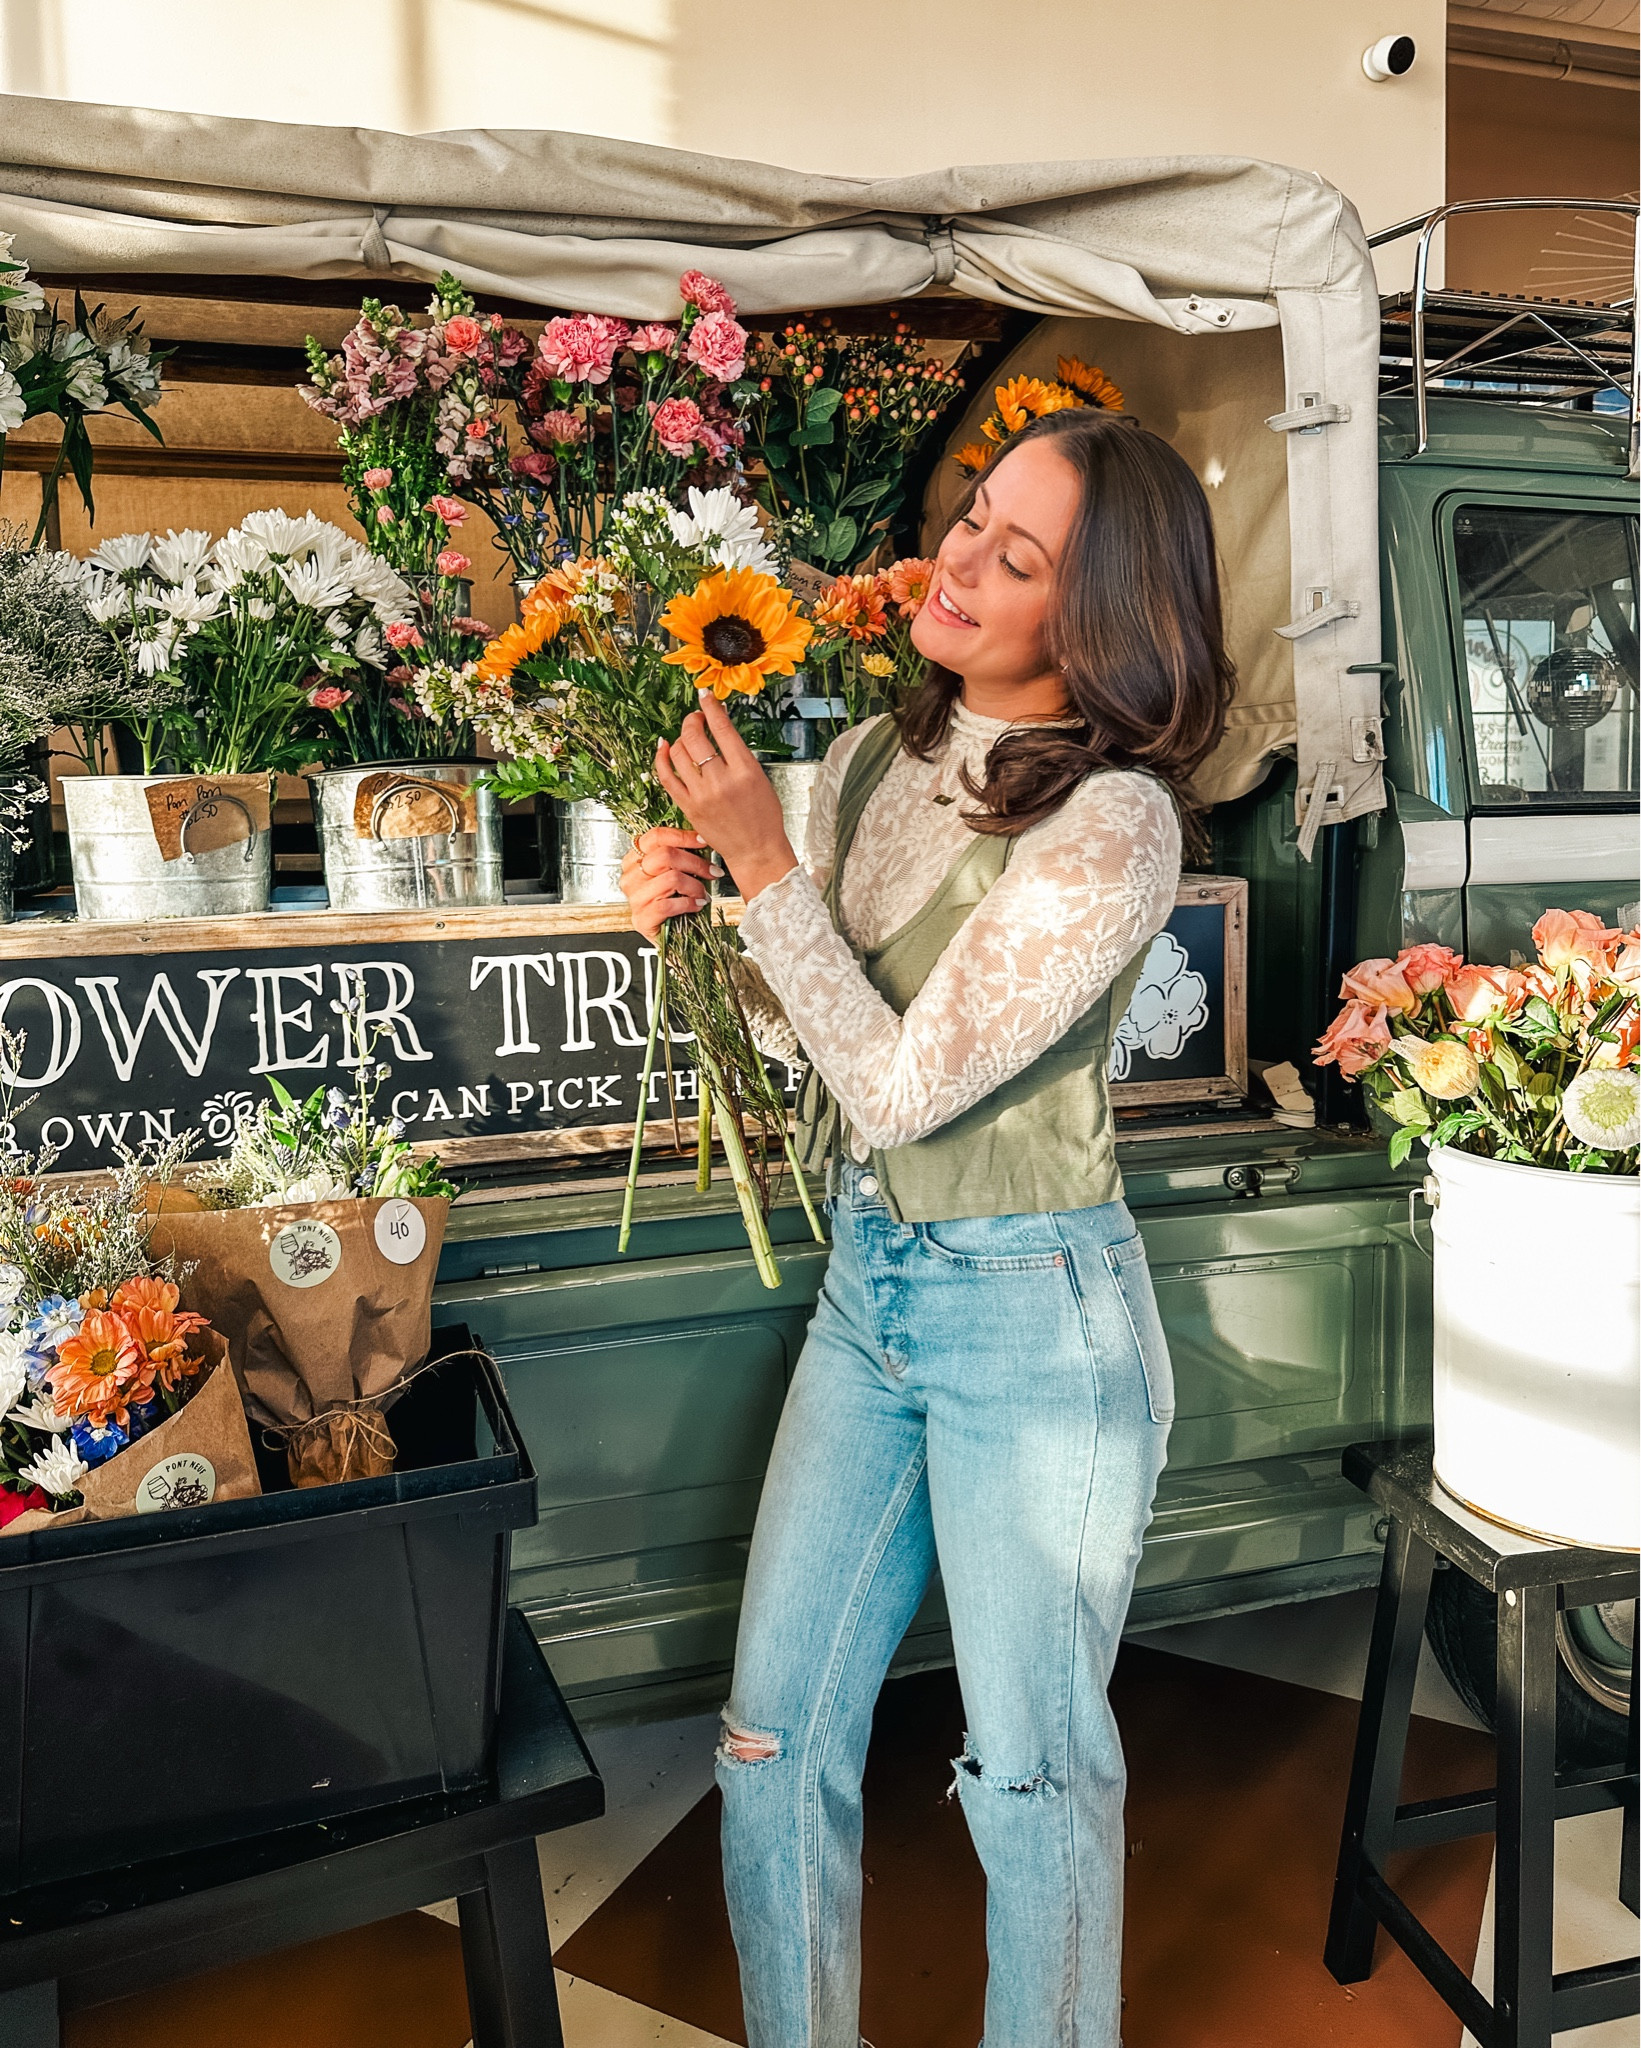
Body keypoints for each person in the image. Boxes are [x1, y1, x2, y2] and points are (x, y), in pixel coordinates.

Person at [620, 405, 1235, 2048]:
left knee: (1028, 1774)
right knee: (767, 1735)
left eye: (1015, 555)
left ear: (1095, 618)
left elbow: (900, 1089)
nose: (957, 558)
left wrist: (763, 877)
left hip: (1036, 1319)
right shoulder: (869, 763)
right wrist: (710, 924)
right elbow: (805, 1042)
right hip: (867, 1288)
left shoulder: (1112, 821)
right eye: (973, 516)